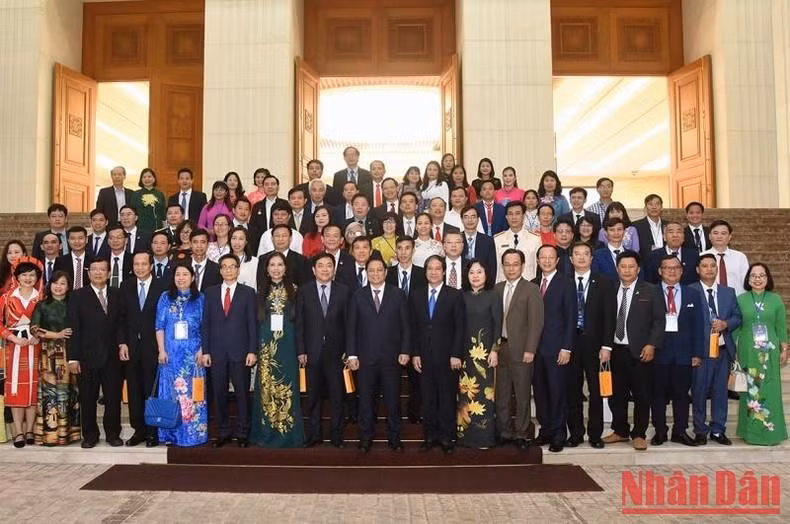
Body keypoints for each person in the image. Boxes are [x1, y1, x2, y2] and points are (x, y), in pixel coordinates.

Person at [602, 251, 664, 451]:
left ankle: (639, 433)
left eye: (631, 267)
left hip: (640, 351)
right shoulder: (610, 289)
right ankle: (620, 430)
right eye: (623, 266)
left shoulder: (651, 290)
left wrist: (651, 344)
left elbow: (658, 320)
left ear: (638, 269)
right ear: (617, 269)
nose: (627, 270)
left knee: (641, 394)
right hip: (615, 350)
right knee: (616, 394)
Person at [347, 256, 411, 453]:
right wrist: (352, 355)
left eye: (379, 270)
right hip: (365, 359)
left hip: (391, 358)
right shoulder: (358, 295)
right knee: (365, 401)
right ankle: (365, 439)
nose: (375, 273)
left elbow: (406, 326)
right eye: (371, 270)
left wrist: (405, 350)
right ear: (367, 273)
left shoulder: (398, 294)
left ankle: (395, 438)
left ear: (385, 272)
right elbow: (351, 328)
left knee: (392, 402)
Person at [410, 255, 465, 454]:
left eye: (437, 268)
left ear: (443, 271)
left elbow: (460, 327)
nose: (433, 272)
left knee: (447, 397)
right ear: (425, 272)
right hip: (423, 356)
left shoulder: (455, 295)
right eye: (429, 269)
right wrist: (415, 353)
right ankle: (430, 436)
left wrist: (456, 354)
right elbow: (413, 327)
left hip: (448, 357)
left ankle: (447, 437)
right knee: (428, 398)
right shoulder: (416, 295)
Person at [249, 252, 304, 447]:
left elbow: (301, 324)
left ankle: (289, 434)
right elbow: (254, 324)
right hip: (266, 350)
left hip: (288, 347)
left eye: (280, 264)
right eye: (272, 265)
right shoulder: (259, 292)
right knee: (267, 388)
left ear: (286, 268)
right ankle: (266, 433)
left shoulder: (296, 291)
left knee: (289, 388)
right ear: (266, 269)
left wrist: (300, 350)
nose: (276, 268)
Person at [67, 258, 122, 448]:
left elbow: (122, 323)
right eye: (94, 269)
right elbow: (74, 328)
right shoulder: (77, 296)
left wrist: (122, 344)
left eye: (102, 270)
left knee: (113, 397)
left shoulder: (117, 294)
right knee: (88, 398)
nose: (98, 273)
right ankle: (90, 435)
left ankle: (113, 433)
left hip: (113, 357)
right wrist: (72, 357)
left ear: (108, 274)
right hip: (86, 356)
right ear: (88, 274)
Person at [203, 254, 257, 447]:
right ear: (220, 270)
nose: (228, 270)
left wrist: (252, 350)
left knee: (242, 394)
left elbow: (252, 324)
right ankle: (223, 432)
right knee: (219, 394)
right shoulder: (209, 293)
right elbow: (206, 324)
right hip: (216, 353)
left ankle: (243, 432)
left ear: (238, 269)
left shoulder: (248, 293)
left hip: (240, 352)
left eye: (232, 266)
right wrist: (206, 351)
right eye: (224, 267)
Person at [650, 254, 705, 447]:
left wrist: (698, 353)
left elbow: (699, 325)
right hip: (658, 353)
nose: (671, 271)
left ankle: (680, 431)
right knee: (657, 395)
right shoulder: (652, 292)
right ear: (660, 271)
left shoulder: (693, 294)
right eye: (667, 268)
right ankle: (660, 431)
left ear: (682, 271)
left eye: (675, 268)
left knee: (682, 395)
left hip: (684, 355)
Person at [296, 253, 350, 448]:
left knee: (337, 398)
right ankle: (314, 434)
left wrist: (348, 350)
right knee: (312, 397)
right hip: (312, 353)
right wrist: (301, 350)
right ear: (313, 270)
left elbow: (349, 324)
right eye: (321, 266)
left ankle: (336, 435)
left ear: (334, 269)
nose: (325, 269)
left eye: (329, 265)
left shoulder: (344, 291)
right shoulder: (304, 291)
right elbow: (300, 324)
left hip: (337, 354)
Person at [566, 242, 615, 449]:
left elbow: (609, 317)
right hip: (570, 343)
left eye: (586, 254)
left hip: (596, 345)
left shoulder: (604, 282)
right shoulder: (564, 282)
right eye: (577, 254)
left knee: (596, 390)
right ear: (571, 259)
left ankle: (595, 434)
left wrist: (607, 346)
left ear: (592, 258)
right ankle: (576, 432)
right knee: (572, 390)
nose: (581, 257)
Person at [494, 249, 544, 449]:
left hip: (522, 350)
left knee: (522, 394)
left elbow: (536, 322)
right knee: (502, 394)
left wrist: (530, 349)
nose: (511, 268)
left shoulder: (531, 289)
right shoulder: (497, 289)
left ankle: (522, 433)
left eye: (515, 264)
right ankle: (505, 432)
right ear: (503, 266)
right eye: (507, 264)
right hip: (501, 349)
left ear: (522, 266)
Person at [118, 252, 168, 447]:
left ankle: (152, 432)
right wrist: (122, 342)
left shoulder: (162, 287)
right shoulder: (126, 286)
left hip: (154, 347)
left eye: (143, 264)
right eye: (136, 264)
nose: (139, 267)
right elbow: (120, 317)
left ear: (151, 266)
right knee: (134, 390)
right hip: (131, 348)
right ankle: (138, 430)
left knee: (152, 389)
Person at [690, 254, 741, 445]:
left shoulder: (728, 292)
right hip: (701, 353)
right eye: (705, 266)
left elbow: (738, 317)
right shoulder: (690, 291)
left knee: (720, 392)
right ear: (698, 270)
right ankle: (700, 430)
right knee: (700, 392)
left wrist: (726, 323)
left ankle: (718, 430)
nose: (709, 269)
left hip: (722, 350)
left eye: (713, 266)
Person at [735, 263, 788, 445]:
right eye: (754, 275)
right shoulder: (741, 299)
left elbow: (780, 327)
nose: (757, 279)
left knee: (770, 391)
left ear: (767, 278)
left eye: (762, 275)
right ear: (748, 279)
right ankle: (751, 433)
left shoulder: (775, 300)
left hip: (770, 353)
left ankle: (771, 432)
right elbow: (736, 327)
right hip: (748, 351)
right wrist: (733, 349)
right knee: (751, 390)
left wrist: (785, 348)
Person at [155, 264, 207, 447]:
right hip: (170, 356)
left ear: (193, 278)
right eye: (178, 274)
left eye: (185, 274)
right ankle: (170, 435)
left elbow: (205, 327)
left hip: (193, 356)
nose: (181, 278)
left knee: (194, 395)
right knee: (171, 394)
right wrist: (161, 350)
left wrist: (202, 349)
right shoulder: (164, 298)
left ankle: (194, 435)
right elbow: (159, 326)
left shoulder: (201, 298)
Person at [531, 245, 575, 452]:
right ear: (538, 260)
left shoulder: (566, 284)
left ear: (557, 260)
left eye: (551, 257)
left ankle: (559, 433)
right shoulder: (532, 284)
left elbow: (570, 318)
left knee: (557, 392)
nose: (546, 261)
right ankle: (546, 430)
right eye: (543, 257)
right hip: (535, 350)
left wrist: (566, 348)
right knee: (540, 393)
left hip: (557, 349)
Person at [31, 271, 79, 446]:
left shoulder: (73, 304)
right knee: (50, 395)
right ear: (49, 284)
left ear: (68, 286)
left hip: (70, 355)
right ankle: (50, 435)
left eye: (63, 283)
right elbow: (34, 329)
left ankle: (69, 434)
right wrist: (56, 334)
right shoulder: (42, 305)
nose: (58, 287)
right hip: (49, 355)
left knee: (68, 394)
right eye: (55, 283)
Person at [456, 260, 501, 449]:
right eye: (472, 272)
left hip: (484, 356)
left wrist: (494, 350)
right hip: (465, 355)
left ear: (486, 275)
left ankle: (484, 438)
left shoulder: (493, 296)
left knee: (484, 395)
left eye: (479, 272)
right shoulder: (461, 297)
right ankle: (465, 437)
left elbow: (498, 325)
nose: (475, 275)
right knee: (466, 394)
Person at [1, 258, 42, 447]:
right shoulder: (6, 298)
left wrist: (39, 336)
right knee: (16, 388)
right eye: (24, 274)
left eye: (32, 274)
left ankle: (30, 430)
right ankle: (18, 432)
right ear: (17, 277)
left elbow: (50, 322)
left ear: (37, 278)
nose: (28, 278)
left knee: (33, 388)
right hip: (14, 347)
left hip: (36, 346)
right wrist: (12, 337)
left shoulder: (42, 297)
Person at [494, 201, 541, 283]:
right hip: (503, 287)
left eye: (517, 213)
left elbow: (538, 267)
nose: (514, 217)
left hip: (528, 286)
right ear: (506, 217)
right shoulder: (497, 239)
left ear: (523, 216)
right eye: (510, 214)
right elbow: (496, 267)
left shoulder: (535, 239)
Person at [702, 219, 750, 295]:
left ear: (730, 236)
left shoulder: (740, 257)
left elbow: (747, 282)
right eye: (715, 233)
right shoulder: (702, 257)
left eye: (723, 233)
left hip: (737, 300)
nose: (719, 236)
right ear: (710, 236)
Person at [644, 221, 699, 285]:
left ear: (684, 237)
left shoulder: (694, 256)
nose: (675, 235)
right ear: (664, 237)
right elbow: (649, 282)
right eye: (671, 232)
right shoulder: (652, 256)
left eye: (678, 232)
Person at [461, 206, 497, 288]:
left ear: (478, 219)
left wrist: (489, 287)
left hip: (482, 286)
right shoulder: (456, 239)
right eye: (466, 217)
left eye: (473, 217)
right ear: (462, 220)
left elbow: (492, 266)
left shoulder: (488, 241)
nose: (470, 220)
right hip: (461, 285)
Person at [130, 168, 166, 233]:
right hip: (141, 227)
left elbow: (163, 213)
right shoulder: (135, 194)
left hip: (157, 228)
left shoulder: (160, 194)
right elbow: (132, 212)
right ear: (141, 179)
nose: (147, 179)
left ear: (154, 179)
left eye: (149, 176)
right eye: (144, 177)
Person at [631, 194, 665, 262]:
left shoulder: (668, 225)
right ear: (645, 208)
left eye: (657, 204)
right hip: (646, 264)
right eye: (650, 204)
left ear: (661, 207)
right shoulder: (636, 226)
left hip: (666, 264)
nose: (654, 207)